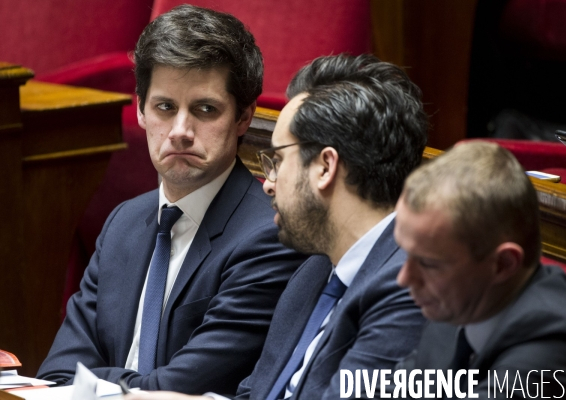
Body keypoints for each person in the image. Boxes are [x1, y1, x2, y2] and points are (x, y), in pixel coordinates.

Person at [36, 5, 306, 395]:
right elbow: (57, 375)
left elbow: (179, 389)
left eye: (205, 109)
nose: (180, 131)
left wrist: (93, 384)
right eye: (165, 107)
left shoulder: (271, 233)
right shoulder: (123, 223)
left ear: (244, 117)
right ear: (142, 111)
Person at [125, 53, 429, 400]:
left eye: (278, 161)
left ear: (325, 167)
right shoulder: (313, 273)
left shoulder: (411, 288)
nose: (268, 183)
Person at [393, 141, 566, 398]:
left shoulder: (552, 345)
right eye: (407, 253)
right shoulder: (460, 297)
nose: (404, 278)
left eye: (428, 263)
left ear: (503, 265)